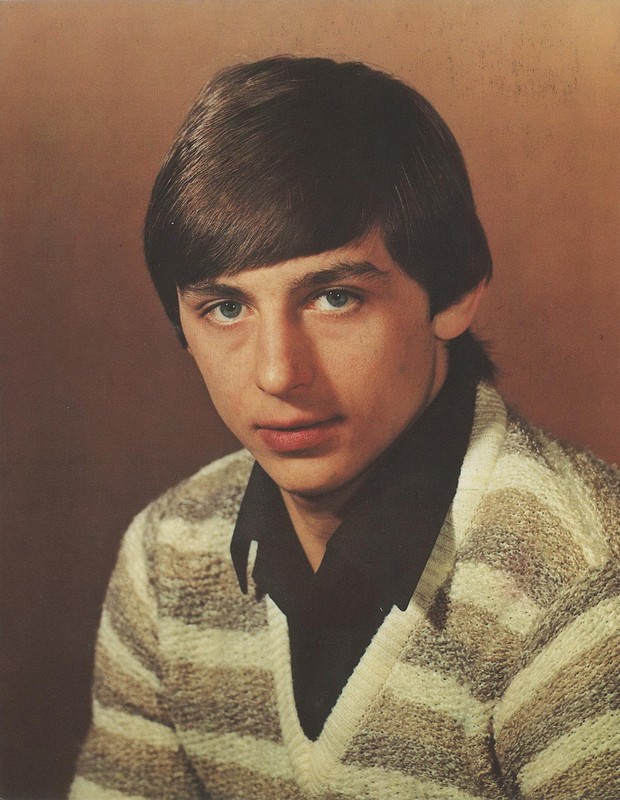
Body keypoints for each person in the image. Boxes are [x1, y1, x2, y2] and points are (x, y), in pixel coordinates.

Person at [70, 56, 619, 800]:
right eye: (226, 308)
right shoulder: (166, 557)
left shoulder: (581, 582)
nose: (277, 373)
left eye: (333, 298)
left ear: (455, 294)